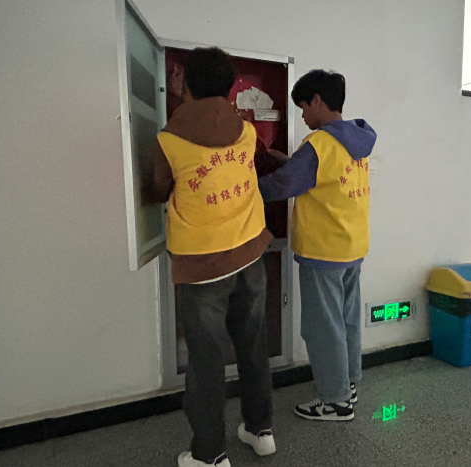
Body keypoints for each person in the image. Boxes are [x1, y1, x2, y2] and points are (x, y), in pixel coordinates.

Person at [149, 47, 276, 467]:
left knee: (206, 363)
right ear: (230, 87)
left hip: (202, 265)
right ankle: (260, 430)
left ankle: (209, 454)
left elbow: (156, 190)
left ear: (185, 84)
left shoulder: (168, 140)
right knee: (253, 347)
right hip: (251, 255)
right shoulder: (247, 132)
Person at [259, 70, 377, 421]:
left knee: (322, 328)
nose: (302, 116)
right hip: (352, 244)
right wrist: (293, 164)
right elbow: (324, 177)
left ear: (317, 101)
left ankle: (335, 402)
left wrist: (243, 187)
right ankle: (347, 383)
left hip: (323, 249)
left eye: (303, 108)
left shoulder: (319, 144)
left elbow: (283, 186)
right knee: (346, 320)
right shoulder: (356, 139)